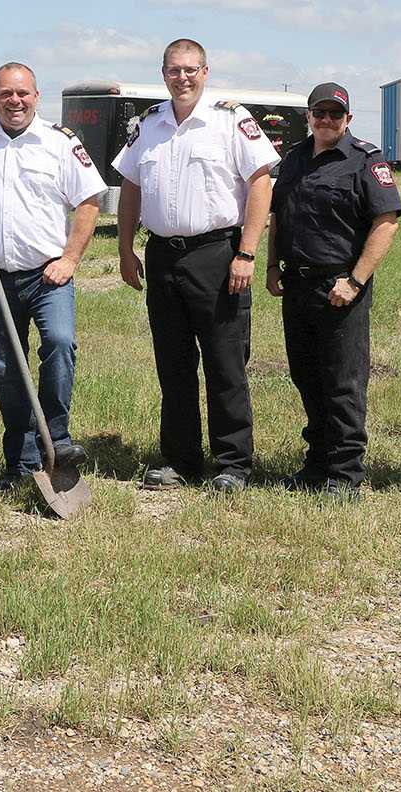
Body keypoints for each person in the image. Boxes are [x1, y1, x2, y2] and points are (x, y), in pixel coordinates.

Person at [0, 62, 106, 492]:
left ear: (36, 97)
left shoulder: (59, 143)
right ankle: (22, 462)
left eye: (23, 93)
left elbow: (89, 200)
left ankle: (58, 441)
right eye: (6, 94)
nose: (15, 101)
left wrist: (70, 259)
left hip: (48, 276)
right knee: (9, 370)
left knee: (60, 346)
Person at [114, 39, 279, 493]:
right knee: (174, 363)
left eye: (190, 70)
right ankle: (181, 460)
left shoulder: (230, 119)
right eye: (173, 70)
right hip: (163, 255)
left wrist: (246, 252)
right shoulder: (149, 125)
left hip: (218, 255)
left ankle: (234, 463)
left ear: (205, 72)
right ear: (163, 73)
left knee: (226, 363)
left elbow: (260, 184)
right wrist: (126, 248)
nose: (181, 78)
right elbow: (130, 188)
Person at [266, 83, 401, 499]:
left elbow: (386, 222)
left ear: (348, 119)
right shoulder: (292, 160)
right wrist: (272, 266)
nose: (326, 121)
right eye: (319, 113)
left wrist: (356, 281)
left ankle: (345, 475)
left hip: (341, 283)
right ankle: (317, 463)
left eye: (335, 115)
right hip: (298, 283)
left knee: (343, 381)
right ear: (308, 116)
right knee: (306, 376)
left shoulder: (365, 160)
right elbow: (278, 215)